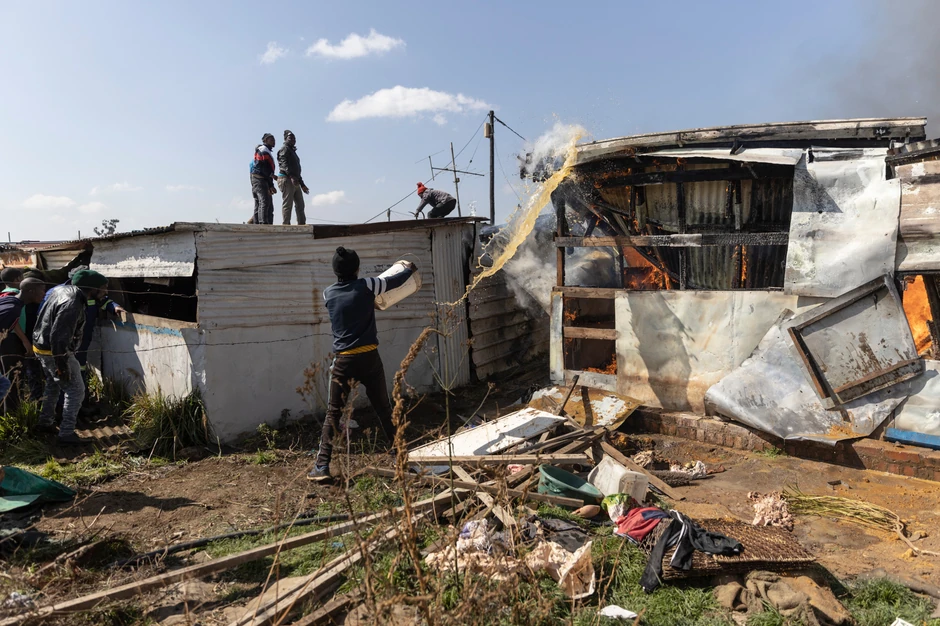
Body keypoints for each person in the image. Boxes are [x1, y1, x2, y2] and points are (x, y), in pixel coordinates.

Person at [308, 247, 417, 482]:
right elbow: (393, 281)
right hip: (369, 358)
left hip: (343, 361)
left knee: (333, 413)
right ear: (357, 269)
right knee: (384, 409)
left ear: (335, 271)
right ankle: (401, 459)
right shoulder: (367, 285)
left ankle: (322, 466)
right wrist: (409, 269)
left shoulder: (328, 293)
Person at [32, 269, 111, 445]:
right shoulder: (73, 302)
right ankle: (66, 433)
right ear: (93, 288)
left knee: (53, 385)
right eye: (103, 288)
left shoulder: (62, 290)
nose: (106, 291)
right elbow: (59, 336)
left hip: (41, 346)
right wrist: (62, 364)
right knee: (76, 390)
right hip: (56, 351)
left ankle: (45, 423)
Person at [0, 278, 45, 409]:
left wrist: (25, 341)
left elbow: (13, 323)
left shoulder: (12, 301)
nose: (44, 294)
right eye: (42, 290)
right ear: (31, 291)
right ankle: (11, 413)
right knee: (7, 383)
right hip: (7, 346)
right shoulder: (13, 308)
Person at [277, 130, 310, 225]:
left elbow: (296, 171)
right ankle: (286, 225)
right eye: (290, 138)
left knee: (300, 204)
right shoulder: (284, 149)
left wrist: (302, 184)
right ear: (285, 139)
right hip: (286, 178)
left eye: (294, 138)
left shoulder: (292, 151)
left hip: (294, 179)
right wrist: (291, 176)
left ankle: (302, 225)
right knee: (288, 203)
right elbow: (284, 164)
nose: (293, 140)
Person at [250, 133, 278, 225]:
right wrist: (271, 175)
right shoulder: (263, 150)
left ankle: (259, 223)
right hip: (260, 179)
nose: (274, 141)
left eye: (274, 139)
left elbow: (267, 168)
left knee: (262, 203)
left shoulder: (267, 151)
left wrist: (270, 184)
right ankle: (263, 224)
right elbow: (260, 166)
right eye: (271, 139)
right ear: (265, 140)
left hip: (263, 179)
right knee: (264, 201)